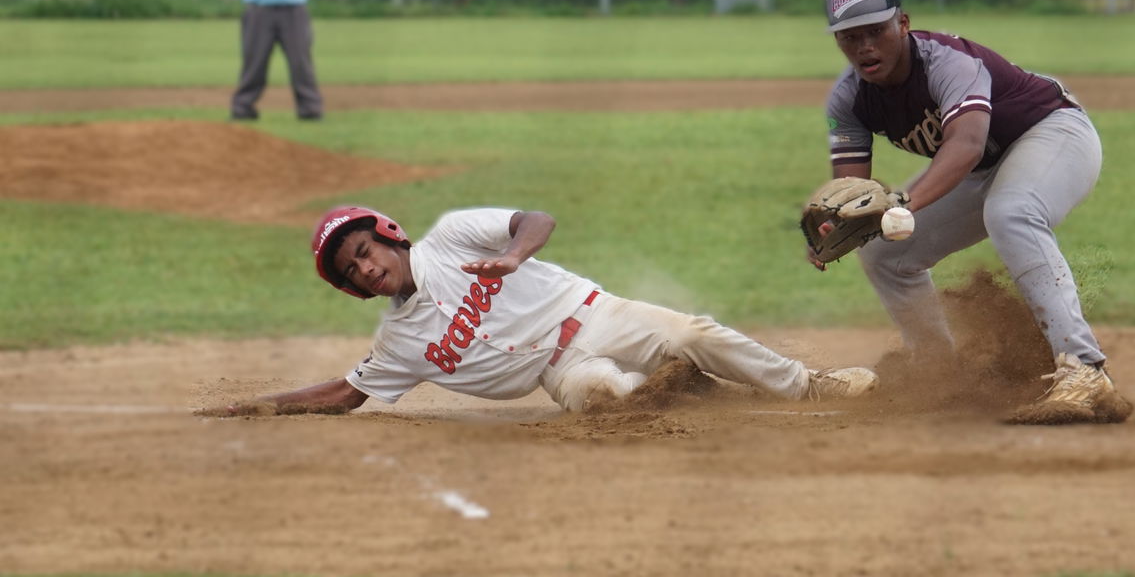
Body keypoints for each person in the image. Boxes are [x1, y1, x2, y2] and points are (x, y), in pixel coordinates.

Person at [812, 0, 1129, 425]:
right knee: (883, 253)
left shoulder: (947, 61)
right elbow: (851, 192)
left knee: (1012, 211)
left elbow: (965, 144)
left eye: (876, 31)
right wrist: (835, 225)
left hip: (1052, 134)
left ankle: (1084, 369)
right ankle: (939, 370)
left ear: (902, 24)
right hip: (979, 169)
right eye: (850, 36)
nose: (865, 46)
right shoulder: (848, 101)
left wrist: (902, 202)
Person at [207, 206, 878, 417]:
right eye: (351, 269)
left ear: (387, 234)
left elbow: (537, 218)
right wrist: (268, 404)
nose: (365, 266)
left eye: (363, 250)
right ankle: (701, 395)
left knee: (692, 331)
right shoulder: (396, 343)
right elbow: (346, 392)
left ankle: (812, 385)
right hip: (558, 372)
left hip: (591, 314)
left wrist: (515, 253)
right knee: (610, 402)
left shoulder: (451, 238)